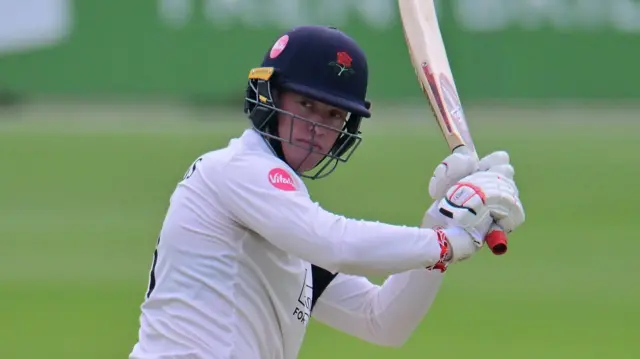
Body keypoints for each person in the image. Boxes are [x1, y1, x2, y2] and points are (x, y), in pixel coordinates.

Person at [128, 25, 525, 359]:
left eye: (334, 114)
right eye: (306, 105)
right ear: (269, 96)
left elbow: (383, 322)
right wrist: (446, 243)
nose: (318, 127)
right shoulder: (239, 170)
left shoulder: (287, 224)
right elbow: (334, 242)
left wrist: (444, 217)